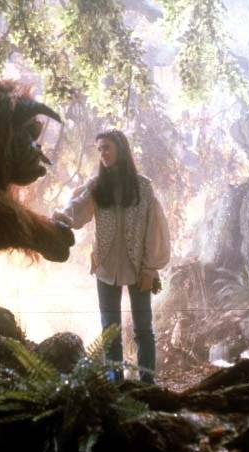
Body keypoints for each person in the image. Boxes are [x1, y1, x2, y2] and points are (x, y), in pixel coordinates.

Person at [53, 129, 170, 383]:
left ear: (120, 148)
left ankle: (147, 383)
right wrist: (61, 217)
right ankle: (114, 383)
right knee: (110, 331)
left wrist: (150, 268)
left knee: (143, 329)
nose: (103, 154)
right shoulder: (97, 186)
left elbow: (153, 227)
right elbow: (76, 210)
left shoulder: (143, 186)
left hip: (139, 267)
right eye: (99, 149)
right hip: (105, 268)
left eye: (106, 147)